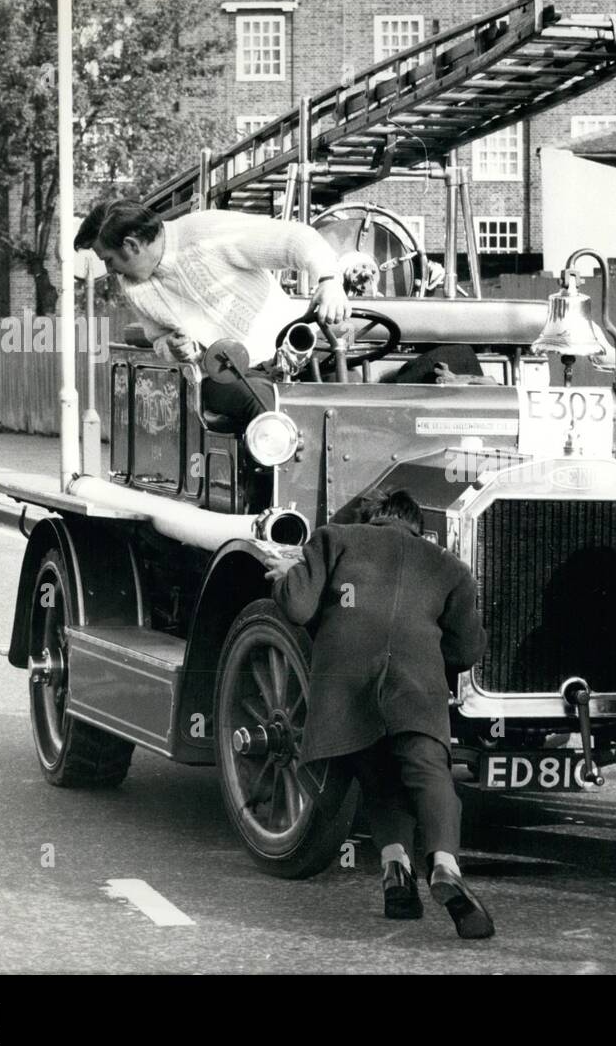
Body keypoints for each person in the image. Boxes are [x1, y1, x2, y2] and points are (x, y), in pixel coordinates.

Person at [266, 489, 494, 939]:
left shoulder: (334, 538)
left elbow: (297, 606)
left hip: (344, 684)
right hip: (416, 685)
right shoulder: (449, 567)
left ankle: (396, 872)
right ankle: (445, 866)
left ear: (369, 517)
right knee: (429, 773)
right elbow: (467, 649)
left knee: (379, 779)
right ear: (416, 525)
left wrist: (286, 575)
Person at [74, 199, 351, 427]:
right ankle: (272, 493)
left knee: (367, 396)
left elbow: (294, 239)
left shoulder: (207, 230)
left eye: (108, 260)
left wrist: (328, 281)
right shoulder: (133, 285)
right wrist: (175, 349)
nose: (110, 271)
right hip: (227, 377)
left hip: (298, 354)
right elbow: (159, 340)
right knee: (268, 413)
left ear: (132, 245)